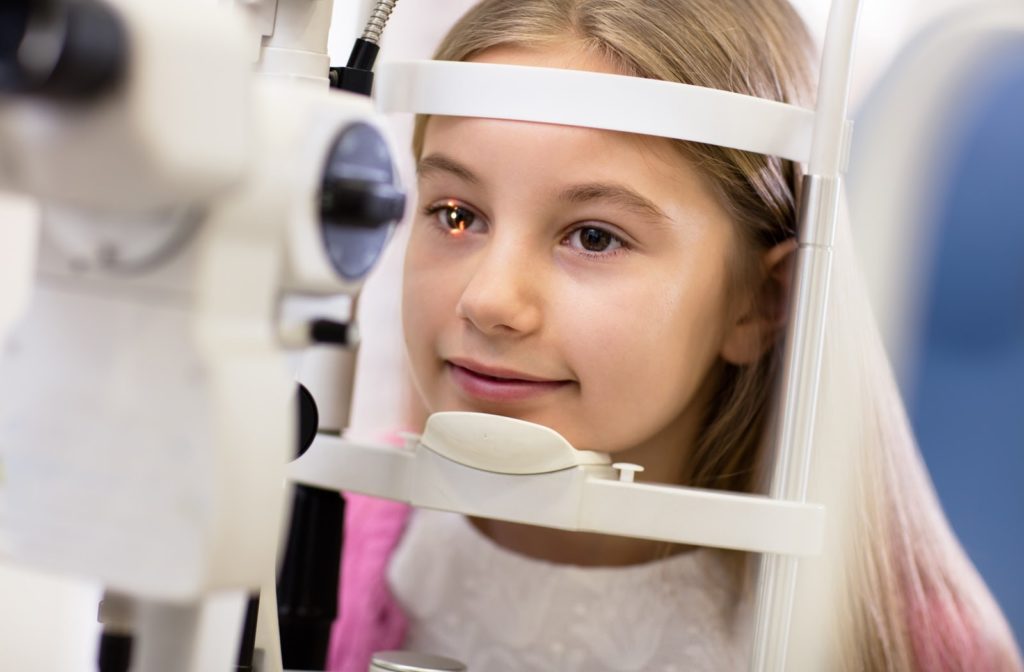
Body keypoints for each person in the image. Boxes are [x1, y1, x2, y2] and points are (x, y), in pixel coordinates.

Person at [328, 1, 1024, 670]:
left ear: (760, 301)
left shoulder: (913, 647)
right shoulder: (319, 540)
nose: (489, 301)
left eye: (593, 237)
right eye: (457, 215)